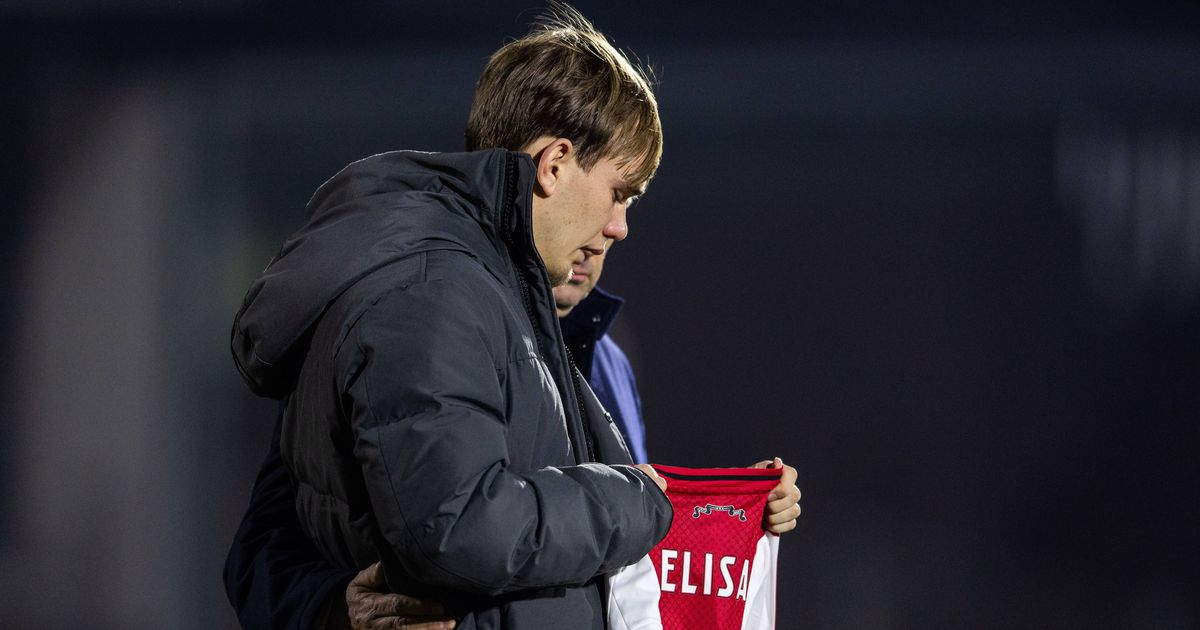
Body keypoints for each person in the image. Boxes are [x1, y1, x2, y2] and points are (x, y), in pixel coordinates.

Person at [228, 7, 800, 629]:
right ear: (554, 165)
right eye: (619, 193)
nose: (620, 227)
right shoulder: (426, 294)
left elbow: (608, 561)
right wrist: (336, 613)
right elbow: (458, 526)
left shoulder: (545, 331)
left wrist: (730, 512)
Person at [224, 250, 648, 629]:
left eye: (625, 200)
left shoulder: (609, 362)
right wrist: (335, 607)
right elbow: (260, 553)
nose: (614, 229)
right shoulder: (412, 324)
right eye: (610, 194)